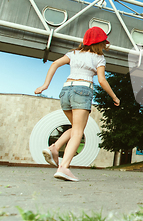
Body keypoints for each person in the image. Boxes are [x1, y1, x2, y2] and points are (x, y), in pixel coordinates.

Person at [35, 26, 120, 182]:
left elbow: (54, 64)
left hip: (66, 91)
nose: (104, 47)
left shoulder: (73, 53)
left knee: (75, 127)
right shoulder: (99, 58)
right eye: (103, 44)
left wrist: (45, 85)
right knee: (78, 132)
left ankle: (54, 147)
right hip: (83, 90)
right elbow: (101, 80)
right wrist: (114, 97)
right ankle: (64, 168)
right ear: (98, 43)